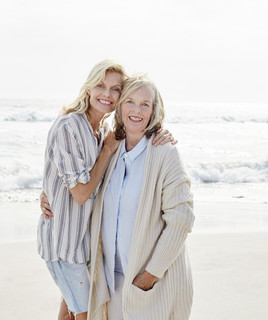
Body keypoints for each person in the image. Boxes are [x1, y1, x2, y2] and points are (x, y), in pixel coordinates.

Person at [38, 60, 175, 320]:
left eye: (115, 89)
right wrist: (107, 151)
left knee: (68, 315)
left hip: (84, 244)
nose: (107, 94)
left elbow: (62, 174)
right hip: (65, 245)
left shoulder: (101, 130)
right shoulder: (70, 127)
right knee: (86, 316)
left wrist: (162, 134)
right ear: (88, 88)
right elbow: (80, 193)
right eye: (101, 85)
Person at [87, 75, 194, 320]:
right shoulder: (109, 149)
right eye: (130, 102)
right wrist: (46, 195)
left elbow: (182, 219)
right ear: (120, 106)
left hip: (150, 282)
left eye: (145, 104)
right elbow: (80, 180)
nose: (137, 110)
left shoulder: (165, 153)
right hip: (112, 282)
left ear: (154, 110)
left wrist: (150, 275)